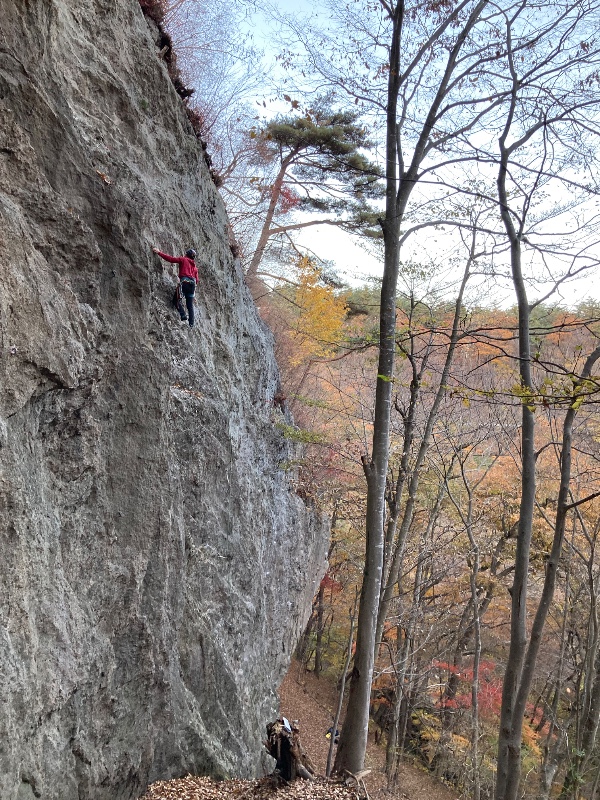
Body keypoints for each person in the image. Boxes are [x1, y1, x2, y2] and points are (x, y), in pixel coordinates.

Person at [152, 246, 199, 326]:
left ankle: (183, 315)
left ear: (186, 254)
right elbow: (197, 280)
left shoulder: (183, 259)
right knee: (190, 305)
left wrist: (159, 252)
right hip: (192, 286)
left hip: (185, 283)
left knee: (176, 300)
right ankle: (191, 324)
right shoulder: (195, 268)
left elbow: (171, 259)